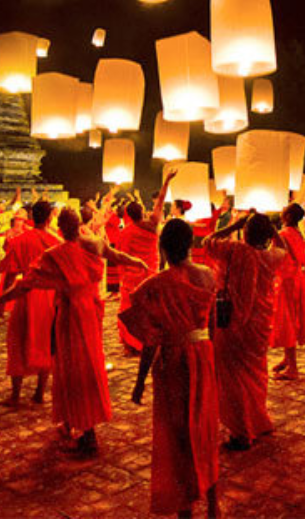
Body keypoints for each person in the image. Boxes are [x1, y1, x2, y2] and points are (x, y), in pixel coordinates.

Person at [0, 208, 148, 456]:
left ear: (60, 229)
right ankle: (73, 421)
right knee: (85, 366)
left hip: (72, 315)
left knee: (74, 370)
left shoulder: (56, 254)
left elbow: (23, 286)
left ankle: (87, 434)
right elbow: (114, 254)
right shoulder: (91, 244)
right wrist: (136, 261)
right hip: (89, 313)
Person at [122, 219, 219, 518]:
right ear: (190, 245)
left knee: (177, 433)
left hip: (174, 361)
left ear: (162, 248)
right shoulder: (208, 276)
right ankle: (213, 504)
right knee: (205, 427)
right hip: (203, 355)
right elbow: (213, 325)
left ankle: (184, 507)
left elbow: (150, 339)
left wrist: (140, 381)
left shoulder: (154, 285)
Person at [203, 212, 285, 451]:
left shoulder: (233, 250)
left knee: (234, 379)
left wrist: (233, 226)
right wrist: (272, 229)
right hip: (259, 324)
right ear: (267, 235)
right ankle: (258, 421)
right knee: (256, 374)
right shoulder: (270, 257)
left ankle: (241, 432)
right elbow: (284, 247)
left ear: (245, 232)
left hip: (232, 324)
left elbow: (207, 241)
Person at [0, 200, 60, 407]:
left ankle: (15, 394)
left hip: (25, 295)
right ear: (50, 217)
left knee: (18, 341)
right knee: (46, 342)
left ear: (32, 217)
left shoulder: (20, 241)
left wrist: (1, 302)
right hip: (49, 296)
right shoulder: (56, 242)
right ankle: (39, 392)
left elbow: (10, 274)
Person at [117, 170, 175, 353]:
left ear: (128, 215)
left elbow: (122, 256)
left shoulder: (126, 232)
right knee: (150, 309)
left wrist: (122, 277)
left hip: (133, 278)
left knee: (129, 309)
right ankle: (148, 342)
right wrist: (166, 181)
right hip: (151, 273)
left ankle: (132, 343)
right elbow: (160, 200)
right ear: (142, 212)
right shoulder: (153, 223)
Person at [270, 203, 305, 381]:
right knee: (292, 320)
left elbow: (275, 257)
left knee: (287, 322)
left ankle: (293, 367)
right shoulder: (297, 233)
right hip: (297, 279)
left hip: (286, 281)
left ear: (287, 216)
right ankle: (287, 359)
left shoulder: (283, 235)